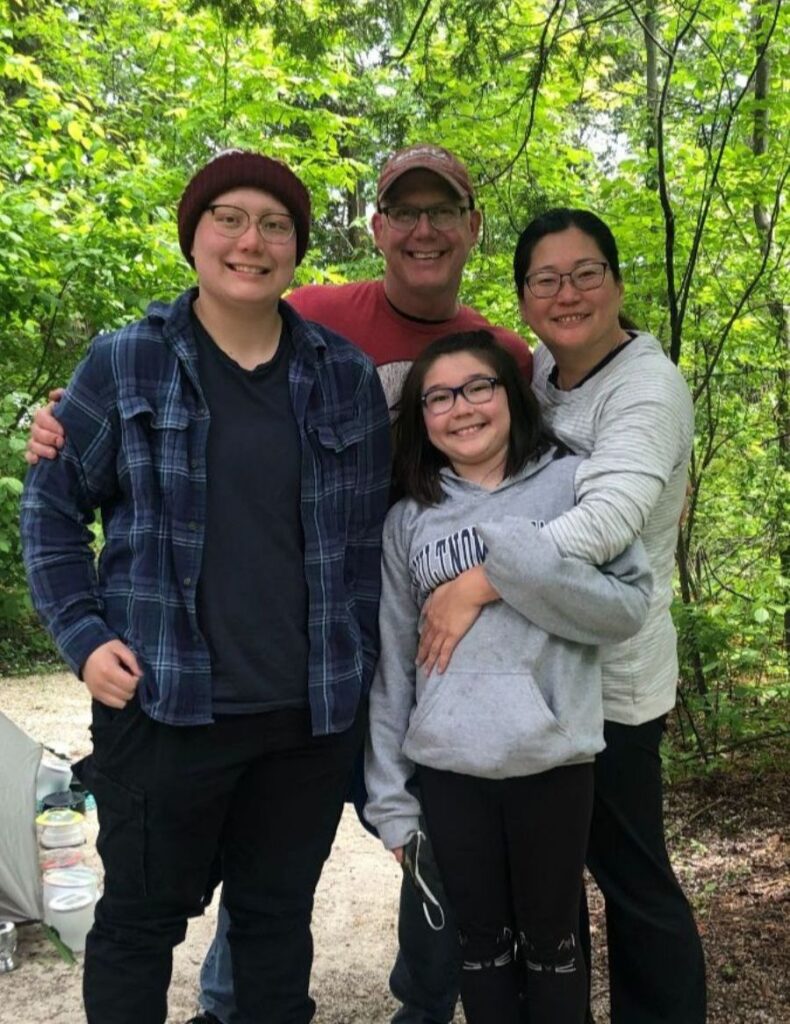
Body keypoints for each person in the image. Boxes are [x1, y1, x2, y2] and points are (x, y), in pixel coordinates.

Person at [25, 143, 530, 1024]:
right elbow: (52, 507)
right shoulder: (126, 362)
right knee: (141, 924)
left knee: (272, 924)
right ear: (194, 238)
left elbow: (424, 500)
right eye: (229, 220)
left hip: (307, 720)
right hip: (163, 708)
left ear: (297, 251)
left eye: (273, 226)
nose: (250, 241)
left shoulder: (337, 373)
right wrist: (81, 633)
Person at [416, 208, 706, 1023]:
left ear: (616, 283)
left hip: (609, 682)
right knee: (546, 888)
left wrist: (475, 582)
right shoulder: (542, 372)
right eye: (545, 279)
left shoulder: (644, 386)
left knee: (630, 874)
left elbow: (606, 523)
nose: (567, 292)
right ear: (523, 300)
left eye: (585, 273)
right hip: (535, 684)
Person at [365, 329, 652, 1024]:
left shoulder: (571, 483)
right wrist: (390, 801)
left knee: (553, 943)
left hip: (548, 759)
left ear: (511, 396)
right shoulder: (409, 519)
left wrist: (509, 569)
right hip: (449, 767)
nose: (461, 408)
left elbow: (626, 609)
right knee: (480, 946)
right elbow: (393, 665)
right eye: (438, 396)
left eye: (478, 387)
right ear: (420, 418)